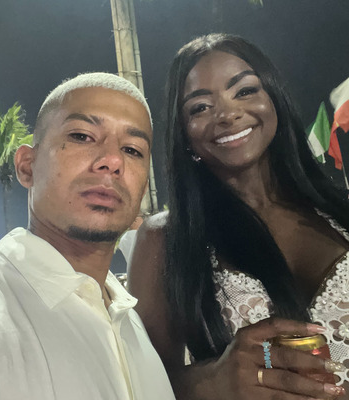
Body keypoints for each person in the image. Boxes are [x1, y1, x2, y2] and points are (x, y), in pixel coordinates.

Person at [128, 33, 349, 400]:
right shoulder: (166, 239)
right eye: (200, 107)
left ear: (274, 98)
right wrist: (214, 379)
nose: (227, 114)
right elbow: (140, 382)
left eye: (244, 91)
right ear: (184, 134)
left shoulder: (339, 208)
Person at [0, 72, 175, 400]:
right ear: (27, 166)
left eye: (132, 149)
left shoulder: (132, 325)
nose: (113, 161)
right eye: (82, 136)